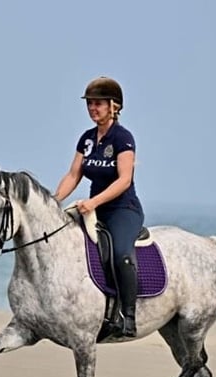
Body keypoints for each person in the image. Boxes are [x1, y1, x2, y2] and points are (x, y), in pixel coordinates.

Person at [54, 76, 144, 338]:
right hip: (94, 209)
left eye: (98, 104)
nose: (93, 108)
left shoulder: (123, 138)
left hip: (122, 209)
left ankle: (128, 317)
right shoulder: (87, 139)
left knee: (121, 255)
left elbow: (124, 180)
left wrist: (93, 202)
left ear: (113, 106)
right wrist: (53, 201)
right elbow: (74, 175)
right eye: (90, 104)